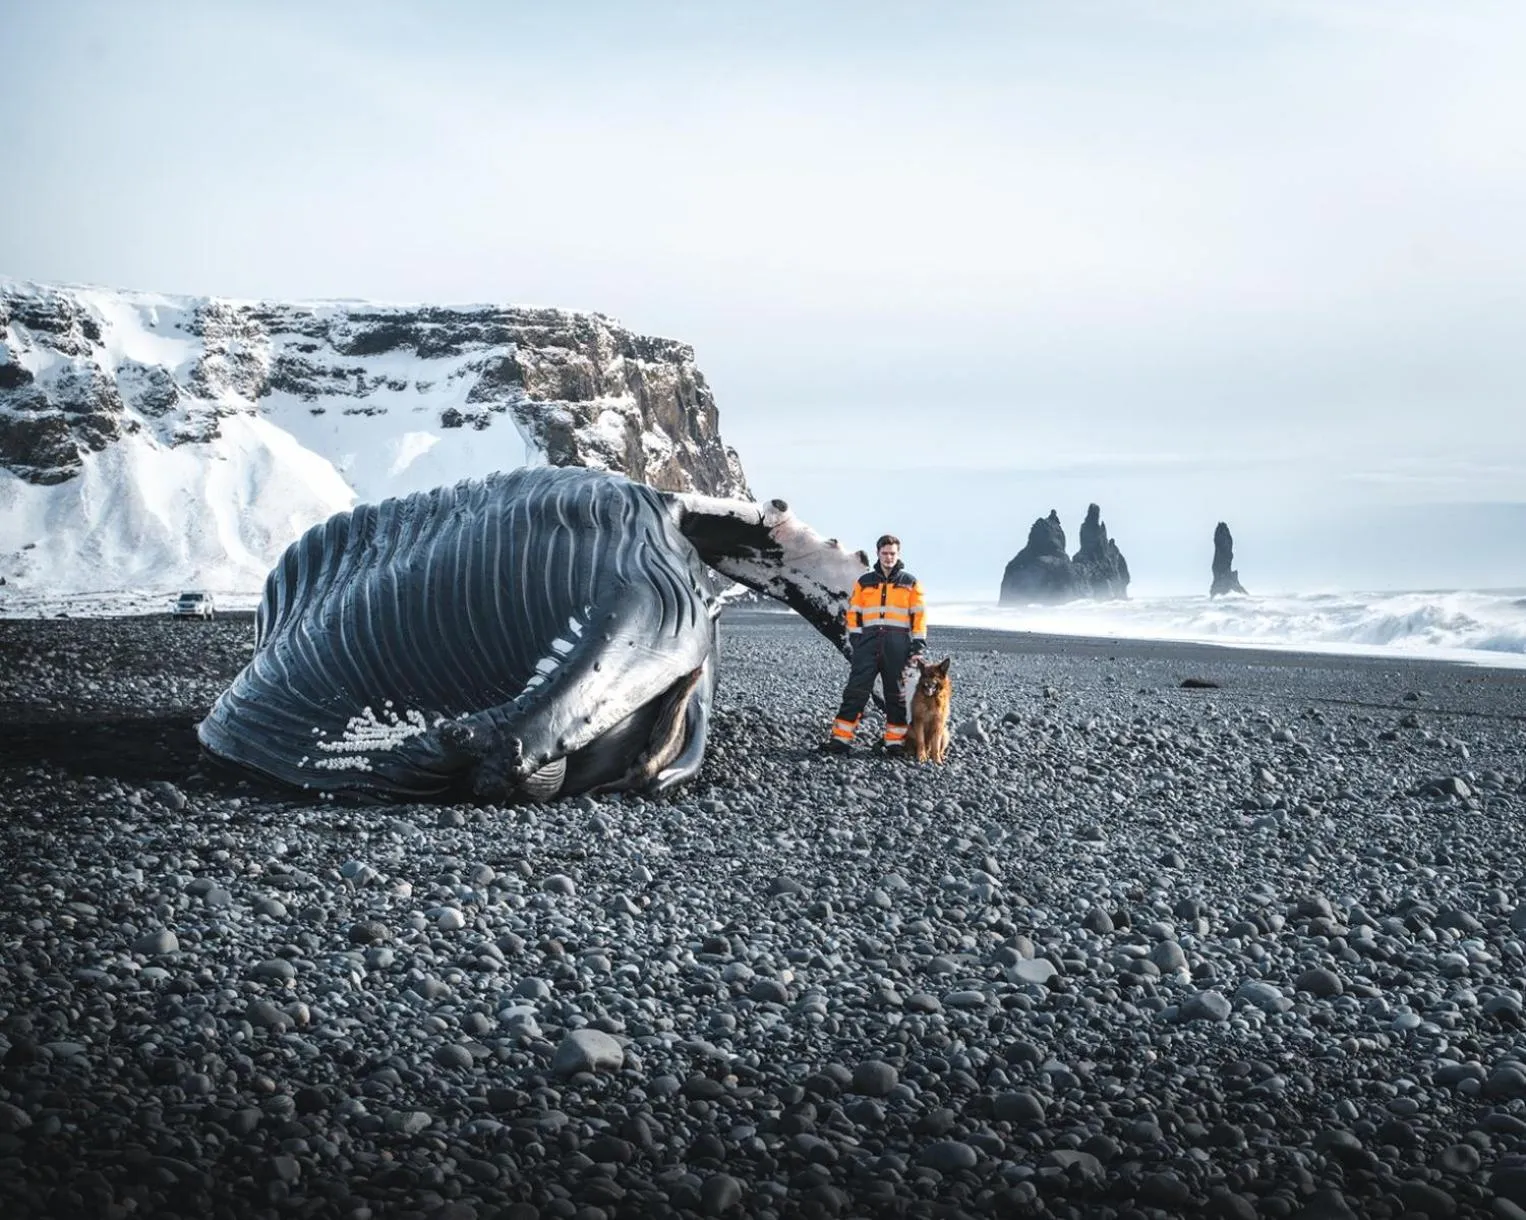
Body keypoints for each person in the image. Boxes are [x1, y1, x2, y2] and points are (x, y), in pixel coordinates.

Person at [824, 534, 926, 758]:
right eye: (884, 553)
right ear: (878, 553)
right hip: (868, 643)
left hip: (898, 644)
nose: (888, 557)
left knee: (896, 695)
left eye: (892, 553)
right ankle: (840, 740)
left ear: (898, 555)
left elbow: (918, 615)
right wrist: (856, 638)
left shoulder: (910, 583)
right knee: (855, 691)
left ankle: (894, 743)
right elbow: (854, 612)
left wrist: (918, 643)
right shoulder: (865, 582)